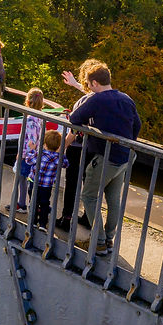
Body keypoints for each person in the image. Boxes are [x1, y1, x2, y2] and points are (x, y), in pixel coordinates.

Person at [68, 60, 141, 255]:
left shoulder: (96, 99)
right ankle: (109, 240)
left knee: (89, 196)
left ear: (93, 83)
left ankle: (98, 242)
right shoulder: (126, 99)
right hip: (126, 156)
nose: (89, 88)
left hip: (106, 157)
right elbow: (137, 126)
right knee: (113, 198)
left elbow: (74, 119)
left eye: (88, 84)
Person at [55, 60, 99, 231]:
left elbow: (74, 132)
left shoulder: (82, 103)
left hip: (78, 148)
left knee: (72, 183)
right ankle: (89, 218)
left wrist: (61, 148)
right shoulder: (105, 99)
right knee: (90, 184)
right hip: (95, 149)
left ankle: (67, 219)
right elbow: (92, 93)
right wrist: (75, 84)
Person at [8, 88, 45, 213]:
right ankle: (24, 203)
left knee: (21, 179)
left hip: (27, 156)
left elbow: (31, 142)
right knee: (26, 180)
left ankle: (22, 204)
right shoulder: (40, 117)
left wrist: (23, 154)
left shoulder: (30, 119)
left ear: (28, 102)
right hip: (35, 156)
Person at [23, 130, 69, 229]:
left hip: (33, 183)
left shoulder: (39, 154)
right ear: (58, 146)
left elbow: (28, 160)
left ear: (44, 144)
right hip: (47, 186)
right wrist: (61, 153)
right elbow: (66, 164)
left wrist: (32, 149)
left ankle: (33, 222)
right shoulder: (59, 158)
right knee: (44, 203)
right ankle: (43, 224)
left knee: (33, 202)